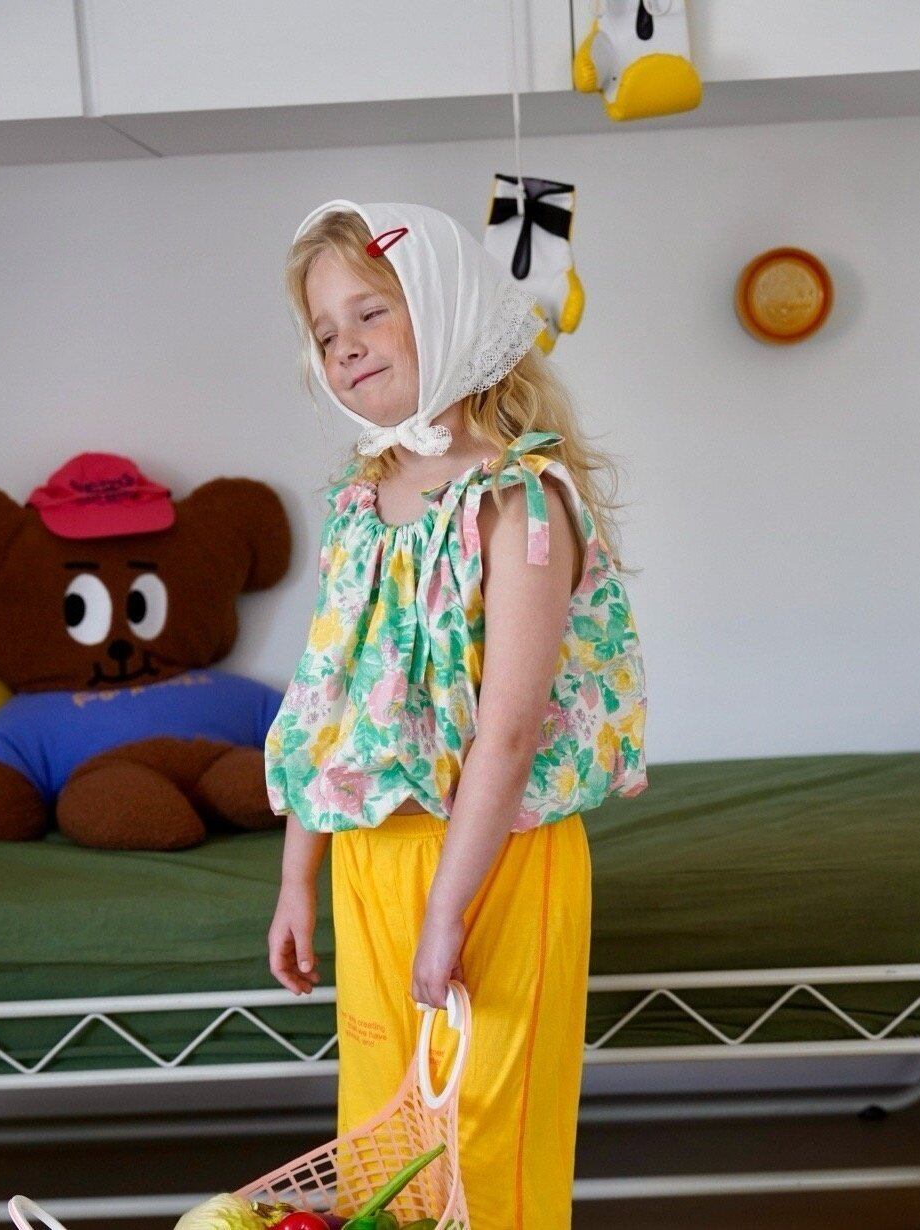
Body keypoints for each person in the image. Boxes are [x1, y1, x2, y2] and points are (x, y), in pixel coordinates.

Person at [264, 199, 648, 1230]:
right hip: (368, 862)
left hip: (492, 865)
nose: (346, 347)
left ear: (445, 307)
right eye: (326, 333)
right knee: (385, 1148)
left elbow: (509, 731)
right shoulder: (360, 502)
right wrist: (298, 877)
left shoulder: (521, 501)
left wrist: (447, 910)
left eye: (370, 313)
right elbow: (326, 704)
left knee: (483, 1140)